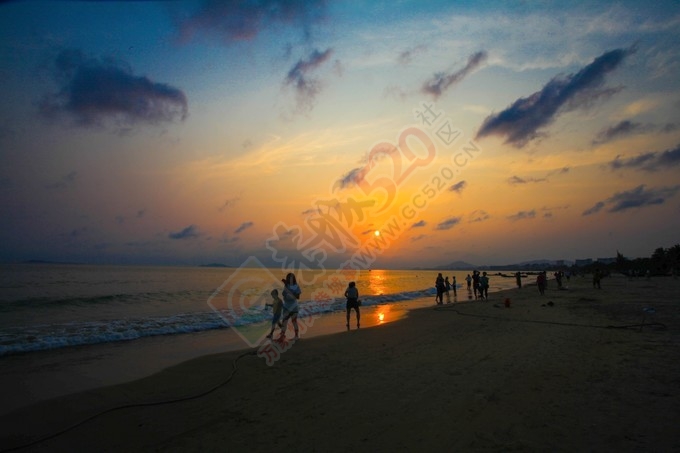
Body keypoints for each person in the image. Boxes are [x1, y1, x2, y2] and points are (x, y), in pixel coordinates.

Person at [279, 272, 301, 340]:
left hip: (294, 307)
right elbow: (283, 294)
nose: (290, 279)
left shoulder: (296, 286)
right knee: (284, 322)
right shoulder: (286, 286)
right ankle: (282, 336)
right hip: (286, 306)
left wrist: (290, 293)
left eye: (291, 278)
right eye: (289, 278)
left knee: (294, 322)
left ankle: (296, 336)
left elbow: (298, 297)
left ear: (294, 278)